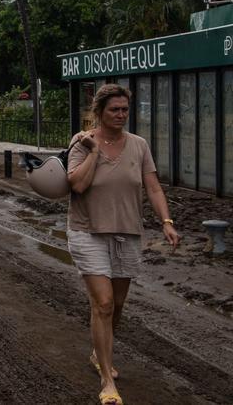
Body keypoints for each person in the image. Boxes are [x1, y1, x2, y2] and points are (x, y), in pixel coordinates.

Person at [66, 84, 179, 405]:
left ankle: (98, 352)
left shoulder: (139, 146)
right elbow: (77, 184)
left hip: (127, 232)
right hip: (87, 231)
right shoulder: (81, 142)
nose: (120, 115)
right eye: (114, 109)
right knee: (102, 303)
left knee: (116, 306)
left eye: (125, 110)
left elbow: (153, 187)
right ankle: (106, 380)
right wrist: (94, 151)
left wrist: (166, 222)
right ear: (99, 111)